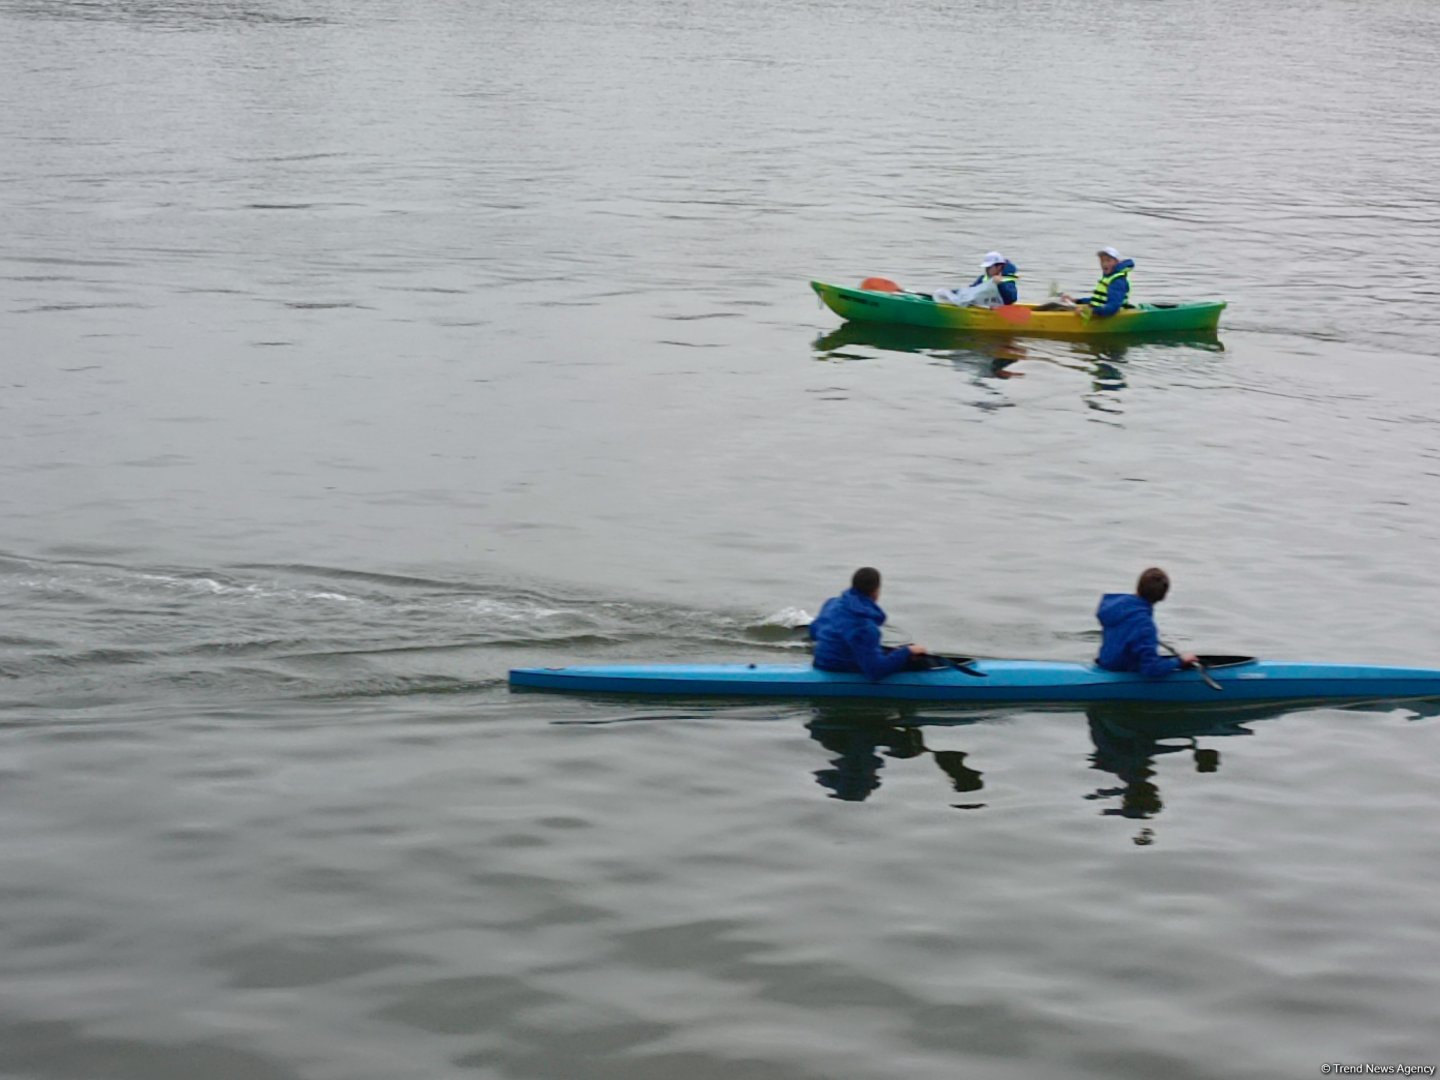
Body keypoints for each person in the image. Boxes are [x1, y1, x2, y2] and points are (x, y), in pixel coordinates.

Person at [809, 567, 926, 680]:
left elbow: (814, 632)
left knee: (890, 652)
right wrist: (907, 651)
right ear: (876, 591)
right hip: (838, 668)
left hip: (820, 662)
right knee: (914, 661)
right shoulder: (865, 626)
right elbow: (875, 672)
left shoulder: (832, 604)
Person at [1095, 567, 1198, 676]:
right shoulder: (1145, 626)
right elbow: (1151, 670)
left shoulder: (1117, 608)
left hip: (1106, 665)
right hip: (1122, 673)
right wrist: (1180, 661)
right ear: (1163, 597)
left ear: (1138, 587)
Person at [1062, 246, 1134, 317]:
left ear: (1117, 262)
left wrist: (1091, 311)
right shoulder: (1108, 277)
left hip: (1111, 315)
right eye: (1102, 261)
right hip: (1100, 310)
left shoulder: (1117, 281)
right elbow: (1098, 300)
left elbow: (1113, 307)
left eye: (1108, 260)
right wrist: (1076, 301)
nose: (1104, 264)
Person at [933, 252, 1020, 308]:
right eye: (986, 267)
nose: (986, 270)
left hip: (1002, 311)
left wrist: (1000, 284)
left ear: (999, 267)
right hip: (986, 307)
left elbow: (1011, 299)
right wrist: (951, 292)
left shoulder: (1007, 280)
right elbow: (971, 291)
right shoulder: (983, 278)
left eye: (989, 267)